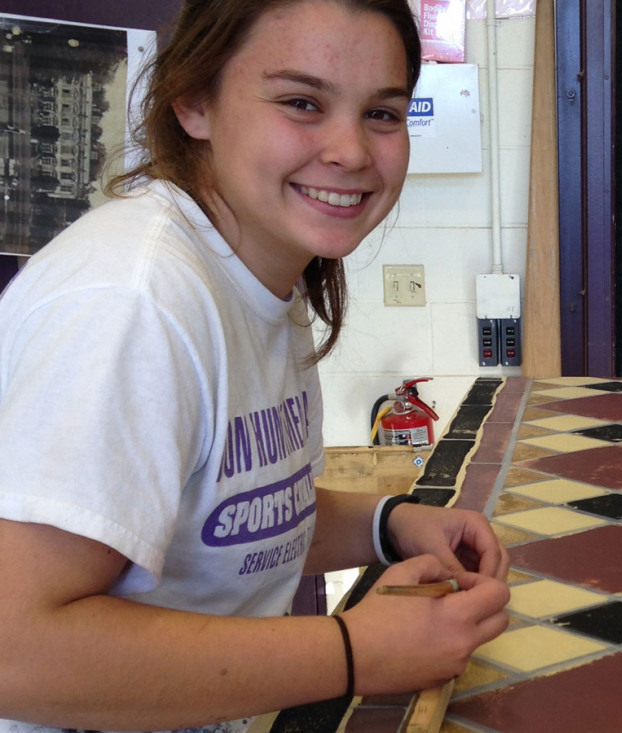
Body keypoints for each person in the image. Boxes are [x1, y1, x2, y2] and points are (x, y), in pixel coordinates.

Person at [0, 2, 511, 731]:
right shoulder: (134, 301)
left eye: (382, 113)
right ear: (194, 101)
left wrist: (389, 524)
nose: (350, 150)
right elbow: (12, 650)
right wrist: (350, 650)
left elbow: (232, 514)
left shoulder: (265, 265)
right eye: (301, 102)